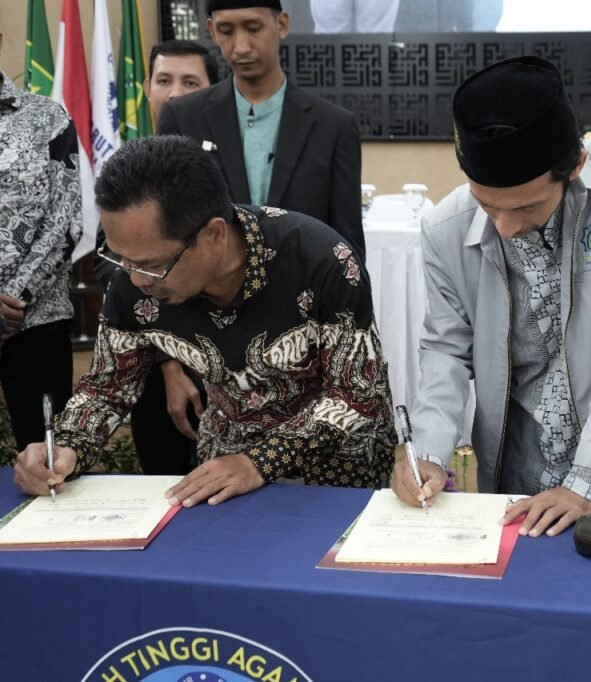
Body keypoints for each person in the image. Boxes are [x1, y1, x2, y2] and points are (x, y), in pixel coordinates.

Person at [390, 56, 591, 538]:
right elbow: (446, 348)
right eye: (487, 206)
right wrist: (427, 451)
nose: (505, 227)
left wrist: (590, 478)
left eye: (526, 207)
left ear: (575, 166)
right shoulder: (445, 228)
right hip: (518, 470)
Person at [12, 135, 394, 507]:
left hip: (336, 474)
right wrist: (66, 446)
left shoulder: (320, 261)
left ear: (213, 234)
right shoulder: (135, 278)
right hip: (224, 474)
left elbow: (356, 395)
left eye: (151, 264)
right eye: (120, 258)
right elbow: (108, 387)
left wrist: (260, 461)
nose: (137, 280)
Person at [93, 39, 220, 476]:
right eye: (164, 80)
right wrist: (168, 361)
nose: (175, 93)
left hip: (232, 356)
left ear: (212, 90)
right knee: (163, 480)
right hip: (151, 355)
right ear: (147, 88)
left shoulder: (220, 165)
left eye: (190, 82)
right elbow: (110, 265)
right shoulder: (126, 169)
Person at [159, 0, 365, 255]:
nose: (241, 47)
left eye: (253, 28)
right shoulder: (182, 119)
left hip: (302, 279)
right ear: (211, 31)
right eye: (226, 31)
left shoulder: (334, 127)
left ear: (282, 25)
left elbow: (348, 249)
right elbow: (169, 229)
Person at [0, 33, 83, 451]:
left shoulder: (48, 118)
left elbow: (65, 222)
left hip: (35, 321)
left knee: (49, 458)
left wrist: (12, 302)